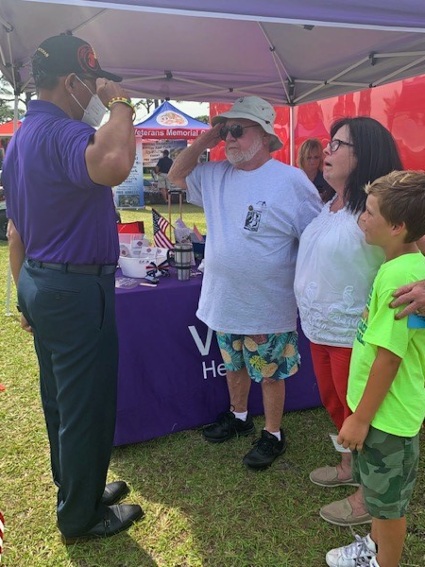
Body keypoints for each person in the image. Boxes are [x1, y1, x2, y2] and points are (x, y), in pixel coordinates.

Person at [2, 34, 143, 544]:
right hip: (75, 288)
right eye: (91, 81)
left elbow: (15, 230)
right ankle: (80, 517)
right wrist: (121, 105)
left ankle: (75, 489)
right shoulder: (61, 132)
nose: (95, 90)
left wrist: (24, 291)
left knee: (60, 400)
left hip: (43, 278)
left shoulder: (22, 137)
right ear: (72, 81)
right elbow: (113, 164)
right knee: (86, 406)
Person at [168, 95, 322, 470]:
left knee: (269, 374)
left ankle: (272, 433)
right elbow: (175, 175)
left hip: (267, 304)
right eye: (226, 131)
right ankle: (239, 417)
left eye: (237, 130)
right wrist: (205, 139)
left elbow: (316, 238)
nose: (229, 138)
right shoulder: (216, 173)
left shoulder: (291, 180)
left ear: (265, 136)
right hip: (223, 299)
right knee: (233, 365)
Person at [294, 117, 403, 527]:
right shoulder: (330, 204)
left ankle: (367, 497)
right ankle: (348, 468)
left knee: (363, 414)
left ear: (364, 155)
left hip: (353, 334)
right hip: (320, 329)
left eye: (338, 145)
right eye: (328, 143)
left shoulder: (379, 207)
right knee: (336, 403)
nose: (327, 152)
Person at [326, 170, 425, 567]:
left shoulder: (401, 277)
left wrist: (360, 420)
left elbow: (390, 357)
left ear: (398, 226)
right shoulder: (401, 267)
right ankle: (376, 547)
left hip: (386, 418)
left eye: (369, 213)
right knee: (379, 494)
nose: (361, 219)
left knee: (388, 506)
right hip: (381, 414)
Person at [297, 137, 335, 202]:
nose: (313, 161)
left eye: (316, 157)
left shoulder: (327, 179)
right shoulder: (295, 177)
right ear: (302, 158)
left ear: (321, 158)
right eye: (309, 158)